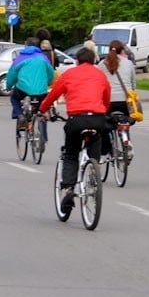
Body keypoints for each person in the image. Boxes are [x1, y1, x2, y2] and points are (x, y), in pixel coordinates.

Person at [39, 47, 110, 211]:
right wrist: (103, 112)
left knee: (71, 154)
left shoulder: (69, 74)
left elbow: (53, 94)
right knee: (95, 141)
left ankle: (69, 189)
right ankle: (93, 172)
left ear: (77, 61)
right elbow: (106, 97)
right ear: (94, 61)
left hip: (77, 120)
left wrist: (42, 110)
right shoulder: (100, 75)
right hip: (97, 119)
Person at [98, 39, 137, 160]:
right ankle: (127, 142)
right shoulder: (129, 63)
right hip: (126, 103)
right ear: (122, 50)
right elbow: (133, 85)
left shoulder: (102, 64)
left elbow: (99, 84)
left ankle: (107, 150)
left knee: (102, 125)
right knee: (124, 121)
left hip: (108, 102)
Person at [6, 38, 55, 125]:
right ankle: (43, 136)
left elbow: (12, 74)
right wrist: (48, 83)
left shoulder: (20, 58)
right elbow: (51, 73)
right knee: (42, 110)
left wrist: (8, 86)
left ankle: (19, 114)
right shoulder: (44, 58)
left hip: (23, 89)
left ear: (26, 45)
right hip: (41, 90)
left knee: (14, 98)